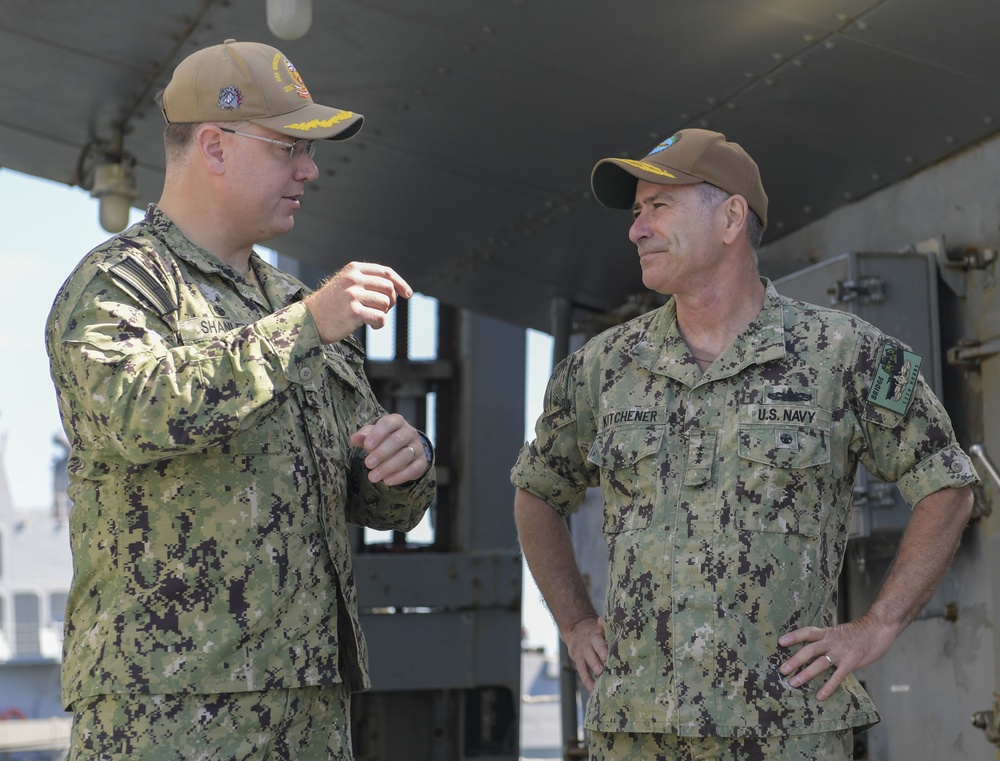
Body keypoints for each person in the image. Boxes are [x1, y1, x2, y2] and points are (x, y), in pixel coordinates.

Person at [511, 128, 978, 760]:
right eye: (636, 213)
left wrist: (877, 626)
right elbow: (537, 492)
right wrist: (573, 621)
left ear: (732, 217)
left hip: (786, 731)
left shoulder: (845, 355)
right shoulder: (599, 368)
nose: (636, 230)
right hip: (635, 731)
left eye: (659, 207)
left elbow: (945, 481)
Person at [45, 39, 436, 760]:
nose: (309, 170)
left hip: (310, 709)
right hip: (167, 712)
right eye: (288, 148)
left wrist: (405, 468)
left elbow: (368, 500)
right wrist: (306, 327)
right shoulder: (119, 285)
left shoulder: (297, 304)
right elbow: (140, 411)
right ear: (216, 147)